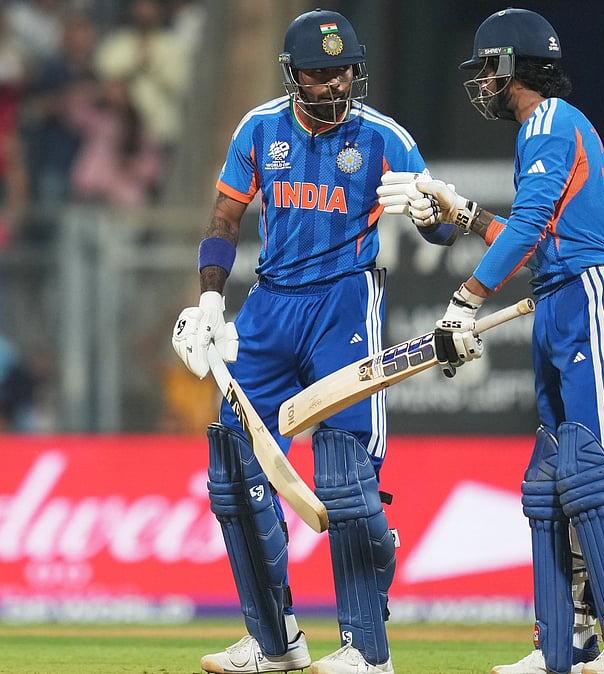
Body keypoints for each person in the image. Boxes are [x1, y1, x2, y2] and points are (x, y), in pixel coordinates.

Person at [376, 8, 604, 674]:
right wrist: (465, 213)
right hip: (560, 296)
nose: (483, 81)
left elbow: (535, 225)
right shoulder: (545, 132)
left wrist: (465, 298)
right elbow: (535, 232)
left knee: (599, 467)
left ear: (512, 66)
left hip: (592, 292)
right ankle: (562, 647)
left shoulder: (549, 122)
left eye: (489, 67)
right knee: (550, 480)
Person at [170, 9, 457, 674]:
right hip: (268, 305)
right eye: (317, 73)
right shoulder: (260, 128)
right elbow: (225, 216)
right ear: (292, 75)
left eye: (342, 71)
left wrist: (431, 210)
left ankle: (367, 649)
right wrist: (211, 298)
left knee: (346, 479)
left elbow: (441, 232)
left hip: (343, 302)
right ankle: (274, 641)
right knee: (234, 470)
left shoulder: (385, 137)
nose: (332, 85)